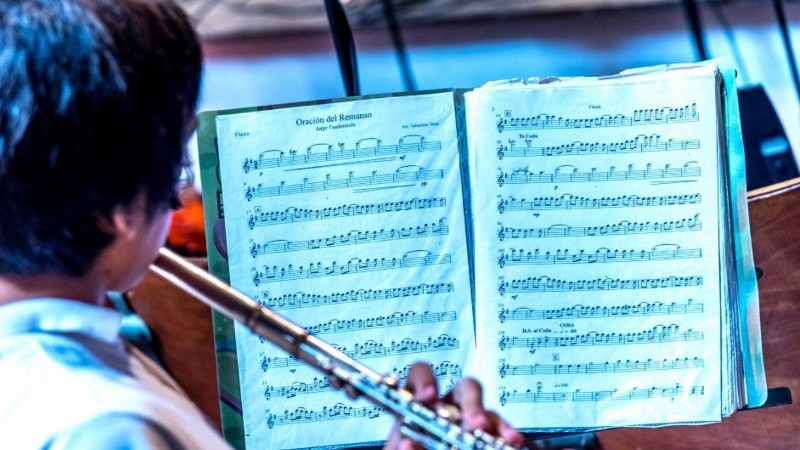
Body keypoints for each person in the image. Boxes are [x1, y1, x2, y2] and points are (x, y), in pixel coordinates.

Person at [0, 0, 526, 449]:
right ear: (115, 208)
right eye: (176, 165)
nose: (179, 197)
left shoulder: (70, 365)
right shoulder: (106, 424)